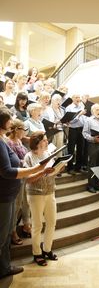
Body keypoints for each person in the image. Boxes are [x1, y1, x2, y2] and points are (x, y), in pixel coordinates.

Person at [0, 107, 49, 279]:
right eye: (9, 120)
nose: (12, 123)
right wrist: (35, 168)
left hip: (10, 193)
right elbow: (6, 171)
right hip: (4, 195)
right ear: (3, 122)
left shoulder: (3, 140)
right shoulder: (1, 142)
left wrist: (37, 170)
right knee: (2, 235)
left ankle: (4, 267)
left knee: (5, 234)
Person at [23, 131, 58, 266]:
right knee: (37, 225)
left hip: (50, 192)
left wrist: (59, 167)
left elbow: (53, 172)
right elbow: (28, 179)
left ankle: (47, 249)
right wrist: (43, 172)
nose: (47, 141)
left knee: (51, 222)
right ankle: (37, 253)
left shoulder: (48, 154)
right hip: (35, 194)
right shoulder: (29, 157)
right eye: (44, 140)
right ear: (37, 142)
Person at [7, 119, 30, 245]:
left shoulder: (19, 141)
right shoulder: (8, 142)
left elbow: (24, 156)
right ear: (17, 130)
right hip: (16, 177)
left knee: (24, 203)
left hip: (24, 175)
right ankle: (12, 232)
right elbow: (13, 162)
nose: (25, 133)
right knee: (16, 206)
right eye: (23, 130)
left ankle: (25, 225)